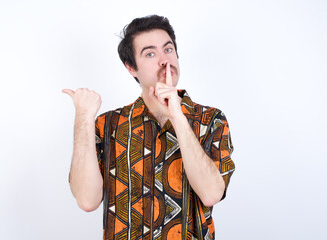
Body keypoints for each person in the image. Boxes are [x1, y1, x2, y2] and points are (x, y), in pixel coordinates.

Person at [63, 15, 235, 240]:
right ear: (131, 68)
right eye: (150, 54)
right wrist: (83, 120)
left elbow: (211, 194)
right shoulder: (108, 125)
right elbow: (87, 200)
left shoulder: (211, 119)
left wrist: (177, 116)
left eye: (168, 49)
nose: (165, 61)